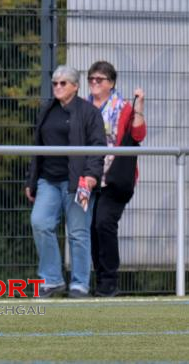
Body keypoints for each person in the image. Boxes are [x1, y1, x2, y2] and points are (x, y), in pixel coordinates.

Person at [25, 65, 106, 298]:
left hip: (77, 182)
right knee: (39, 223)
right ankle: (51, 280)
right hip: (47, 181)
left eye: (63, 83)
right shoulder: (47, 111)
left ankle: (80, 284)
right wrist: (32, 180)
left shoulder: (89, 112)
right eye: (55, 83)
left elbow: (98, 146)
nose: (58, 87)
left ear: (75, 86)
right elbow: (37, 148)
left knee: (78, 233)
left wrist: (91, 175)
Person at [87, 61, 147, 297]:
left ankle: (109, 279)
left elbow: (138, 134)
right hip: (89, 176)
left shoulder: (123, 108)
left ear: (111, 84)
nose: (94, 83)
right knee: (91, 228)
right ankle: (100, 279)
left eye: (99, 79)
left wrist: (139, 107)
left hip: (115, 177)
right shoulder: (83, 107)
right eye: (91, 79)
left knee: (104, 223)